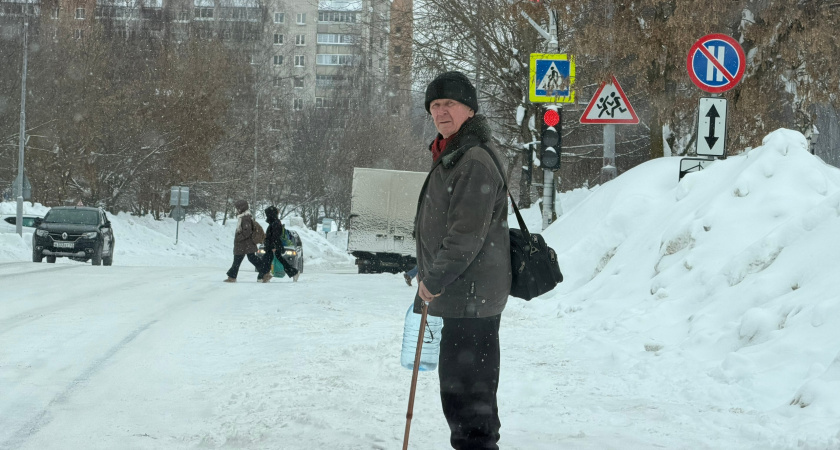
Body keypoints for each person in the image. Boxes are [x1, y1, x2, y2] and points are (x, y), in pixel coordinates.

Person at [414, 71, 511, 449]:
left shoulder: (472, 159)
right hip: (465, 296)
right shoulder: (453, 153)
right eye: (435, 106)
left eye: (449, 104)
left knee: (468, 401)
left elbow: (465, 236)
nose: (441, 112)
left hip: (471, 297)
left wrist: (434, 280)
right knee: (467, 397)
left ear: (470, 109)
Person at [224, 199, 269, 282]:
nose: (236, 210)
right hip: (246, 244)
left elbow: (247, 231)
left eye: (237, 208)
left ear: (241, 208)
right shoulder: (244, 217)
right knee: (250, 259)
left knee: (238, 260)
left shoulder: (245, 218)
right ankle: (265, 272)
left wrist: (238, 238)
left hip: (245, 244)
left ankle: (232, 277)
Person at [263, 206, 299, 282]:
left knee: (268, 260)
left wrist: (273, 246)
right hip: (272, 245)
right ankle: (293, 272)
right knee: (276, 260)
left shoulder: (275, 223)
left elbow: (275, 236)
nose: (266, 216)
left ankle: (264, 276)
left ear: (271, 214)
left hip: (273, 245)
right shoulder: (274, 222)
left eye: (267, 214)